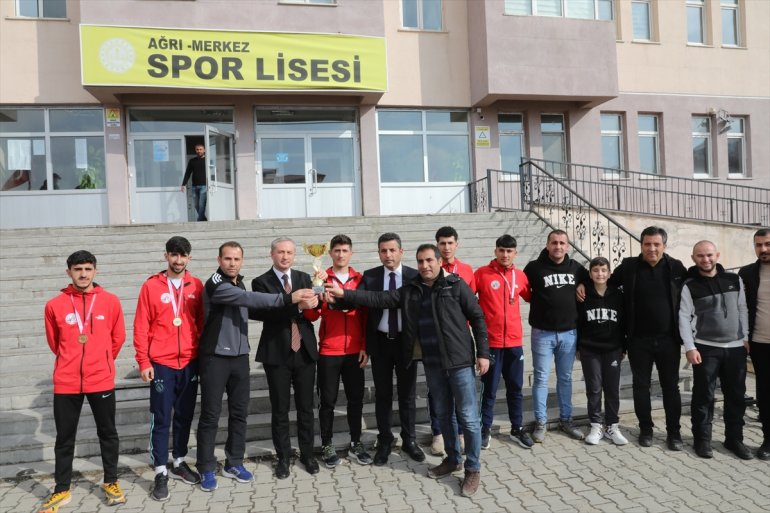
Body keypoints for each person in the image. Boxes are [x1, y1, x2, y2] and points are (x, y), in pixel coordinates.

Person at [327, 244, 490, 497]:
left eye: (429, 260)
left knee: (468, 417)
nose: (425, 266)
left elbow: (477, 317)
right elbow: (379, 299)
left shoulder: (456, 285)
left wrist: (483, 353)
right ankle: (452, 459)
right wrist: (344, 293)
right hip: (433, 362)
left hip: (459, 362)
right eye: (421, 261)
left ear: (439, 262)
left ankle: (473, 467)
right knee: (444, 414)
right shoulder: (412, 290)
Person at [196, 241, 315, 492]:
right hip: (215, 357)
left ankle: (234, 462)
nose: (232, 263)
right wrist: (289, 298)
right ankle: (206, 467)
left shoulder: (238, 282)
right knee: (210, 415)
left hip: (240, 357)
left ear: (242, 261)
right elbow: (249, 299)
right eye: (227, 258)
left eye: (236, 259)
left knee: (240, 413)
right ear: (219, 260)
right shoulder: (216, 283)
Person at [39, 251, 127, 513]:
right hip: (66, 381)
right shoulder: (54, 305)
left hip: (101, 379)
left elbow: (118, 338)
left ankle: (110, 481)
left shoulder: (110, 301)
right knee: (64, 438)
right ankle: (62, 489)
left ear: (95, 271)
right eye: (78, 269)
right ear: (69, 272)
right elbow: (55, 343)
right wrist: (71, 361)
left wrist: (102, 360)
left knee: (108, 433)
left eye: (88, 269)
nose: (83, 274)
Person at [602, 226, 687, 450]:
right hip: (638, 340)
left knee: (671, 388)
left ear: (664, 246)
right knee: (641, 387)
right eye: (647, 244)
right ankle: (646, 430)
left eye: (656, 244)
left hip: (669, 340)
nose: (652, 248)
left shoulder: (676, 267)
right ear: (641, 245)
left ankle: (674, 433)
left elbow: (694, 286)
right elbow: (605, 284)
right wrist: (582, 283)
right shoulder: (629, 266)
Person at [133, 236, 204, 501]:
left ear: (189, 257)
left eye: (183, 255)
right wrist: (144, 361)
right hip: (161, 363)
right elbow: (141, 325)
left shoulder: (196, 285)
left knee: (185, 415)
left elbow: (202, 323)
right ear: (166, 256)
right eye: (174, 254)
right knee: (162, 418)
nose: (178, 260)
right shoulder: (151, 286)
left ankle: (179, 461)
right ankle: (160, 470)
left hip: (189, 361)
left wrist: (201, 357)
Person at [252, 237, 321, 479]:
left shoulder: (304, 277)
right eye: (280, 252)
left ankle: (307, 454)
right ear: (272, 254)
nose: (285, 256)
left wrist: (317, 298)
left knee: (306, 408)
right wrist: (297, 306)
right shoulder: (261, 282)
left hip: (304, 351)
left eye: (289, 252)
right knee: (280, 409)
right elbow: (266, 313)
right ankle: (283, 457)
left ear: (294, 255)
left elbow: (312, 313)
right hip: (276, 353)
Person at [303, 234, 372, 468]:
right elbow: (312, 316)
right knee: (328, 401)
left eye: (345, 251)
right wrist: (317, 297)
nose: (341, 254)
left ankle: (356, 443)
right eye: (337, 250)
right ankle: (327, 444)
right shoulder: (321, 277)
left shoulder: (360, 279)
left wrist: (364, 346)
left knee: (355, 400)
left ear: (351, 253)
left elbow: (365, 315)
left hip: (354, 350)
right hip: (329, 350)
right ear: (330, 253)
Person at [357, 233, 425, 466]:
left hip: (406, 343)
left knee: (407, 394)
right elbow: (359, 303)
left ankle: (409, 440)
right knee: (383, 394)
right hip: (380, 343)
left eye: (392, 250)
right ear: (378, 253)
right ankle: (385, 440)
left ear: (401, 252)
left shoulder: (414, 276)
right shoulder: (370, 276)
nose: (388, 255)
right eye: (383, 251)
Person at [679, 241, 751, 459]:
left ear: (717, 255)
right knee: (704, 397)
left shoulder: (734, 279)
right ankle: (702, 440)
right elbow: (684, 316)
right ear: (693, 258)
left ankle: (734, 439)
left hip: (735, 348)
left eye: (709, 255)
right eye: (700, 256)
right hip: (706, 348)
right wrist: (690, 347)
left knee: (736, 396)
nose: (705, 259)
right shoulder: (690, 285)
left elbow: (742, 308)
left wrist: (745, 337)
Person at [524, 229, 589, 443]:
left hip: (569, 333)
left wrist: (582, 284)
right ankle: (540, 422)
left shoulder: (577, 268)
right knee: (541, 378)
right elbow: (522, 290)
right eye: (554, 242)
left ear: (567, 246)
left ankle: (566, 420)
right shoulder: (533, 268)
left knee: (565, 378)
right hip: (542, 333)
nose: (558, 246)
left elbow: (591, 283)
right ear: (547, 244)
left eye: (562, 243)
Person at [475, 234, 534, 450]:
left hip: (514, 343)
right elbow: (467, 300)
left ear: (515, 253)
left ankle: (517, 428)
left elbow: (532, 297)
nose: (505, 255)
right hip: (491, 343)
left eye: (509, 251)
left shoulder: (520, 276)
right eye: (501, 250)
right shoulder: (482, 274)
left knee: (515, 388)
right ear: (495, 251)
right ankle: (485, 429)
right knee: (489, 390)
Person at [428, 226, 475, 455]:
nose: (446, 247)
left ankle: (461, 435)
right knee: (436, 393)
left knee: (461, 394)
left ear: (457, 244)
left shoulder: (466, 270)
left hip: (457, 341)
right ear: (437, 245)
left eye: (450, 243)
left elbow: (471, 305)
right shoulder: (431, 269)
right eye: (442, 243)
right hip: (436, 341)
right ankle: (438, 433)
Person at [577, 257, 628, 446]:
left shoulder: (618, 295)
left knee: (612, 388)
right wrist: (578, 347)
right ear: (590, 274)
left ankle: (612, 426)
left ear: (609, 273)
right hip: (590, 349)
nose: (600, 274)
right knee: (594, 388)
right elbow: (578, 322)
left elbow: (623, 323)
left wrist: (624, 346)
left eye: (604, 270)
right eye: (596, 270)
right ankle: (596, 425)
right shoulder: (583, 295)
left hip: (613, 349)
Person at [739, 228, 770, 460]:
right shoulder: (747, 273)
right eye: (759, 245)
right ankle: (768, 440)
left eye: (767, 244)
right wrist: (744, 337)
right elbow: (742, 308)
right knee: (765, 394)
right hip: (760, 343)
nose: (763, 249)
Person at [180, 143, 207, 222]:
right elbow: (187, 173)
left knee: (202, 204)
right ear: (195, 150)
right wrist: (183, 184)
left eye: (201, 149)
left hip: (204, 186)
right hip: (194, 186)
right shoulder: (192, 161)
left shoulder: (207, 160)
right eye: (197, 149)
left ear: (204, 150)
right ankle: (203, 219)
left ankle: (200, 219)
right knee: (196, 204)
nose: (199, 151)